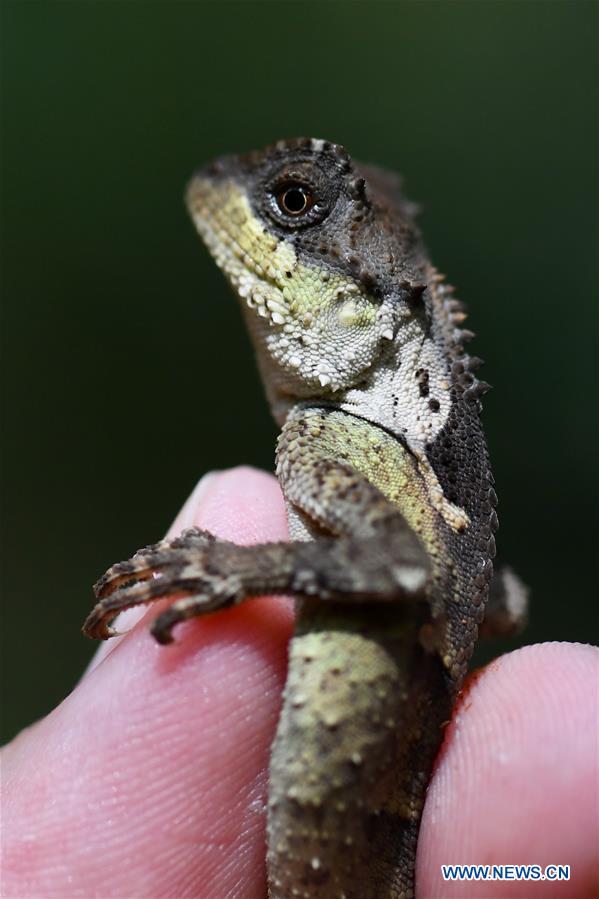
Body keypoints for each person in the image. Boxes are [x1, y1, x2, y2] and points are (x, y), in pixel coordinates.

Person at [2, 468, 597, 898]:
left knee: (534, 864)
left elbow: (404, 567)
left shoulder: (344, 452)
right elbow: (505, 604)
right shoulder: (419, 487)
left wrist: (234, 568)